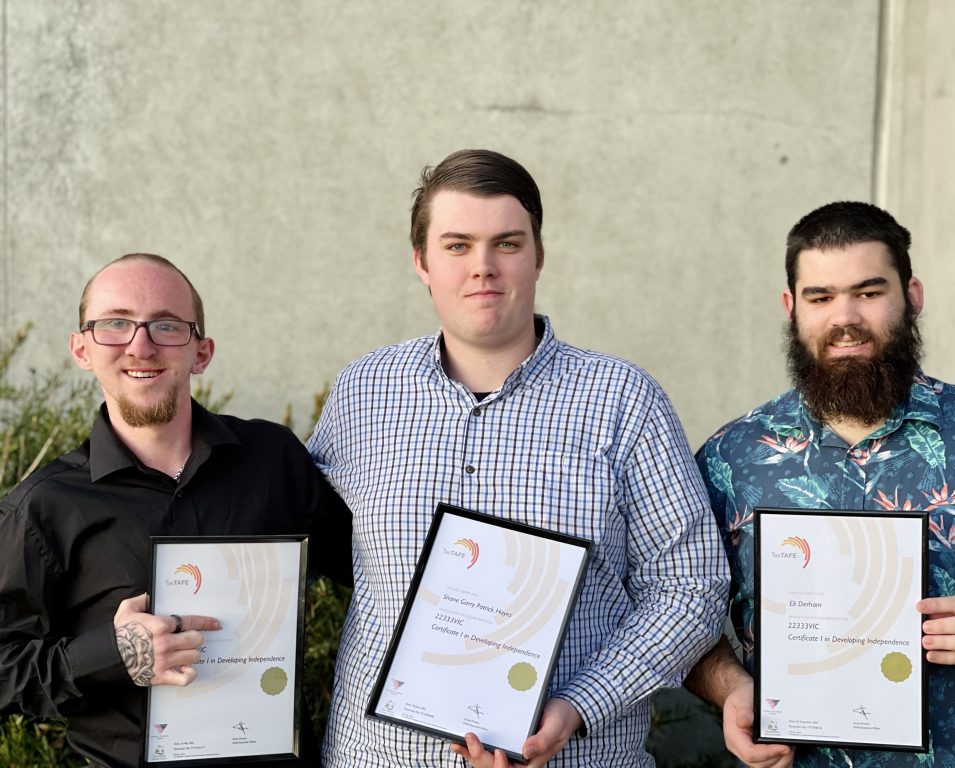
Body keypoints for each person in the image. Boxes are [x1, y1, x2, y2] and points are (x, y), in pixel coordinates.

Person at [307, 149, 729, 767]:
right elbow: (307, 543)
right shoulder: (363, 392)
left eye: (506, 243)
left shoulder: (624, 401)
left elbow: (690, 589)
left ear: (537, 255)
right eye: (457, 245)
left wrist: (581, 705)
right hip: (380, 755)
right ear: (421, 262)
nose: (483, 267)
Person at [684, 201, 955, 767]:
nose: (846, 318)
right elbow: (677, 614)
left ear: (911, 297)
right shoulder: (729, 460)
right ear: (791, 308)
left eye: (869, 292)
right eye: (821, 297)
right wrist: (730, 691)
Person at [0, 253, 352, 768]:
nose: (140, 345)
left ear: (201, 351)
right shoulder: (44, 508)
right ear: (81, 349)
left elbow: (372, 572)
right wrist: (113, 654)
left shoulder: (272, 460)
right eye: (115, 324)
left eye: (166, 325)